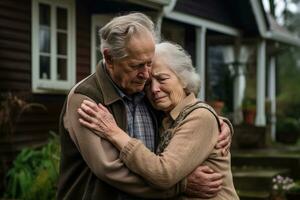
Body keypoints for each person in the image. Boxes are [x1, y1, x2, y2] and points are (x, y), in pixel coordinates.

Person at [57, 12, 233, 200]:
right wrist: (181, 185)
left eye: (149, 63)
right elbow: (111, 169)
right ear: (109, 59)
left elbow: (182, 114)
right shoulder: (86, 99)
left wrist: (217, 122)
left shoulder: (144, 90)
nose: (146, 74)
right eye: (137, 65)